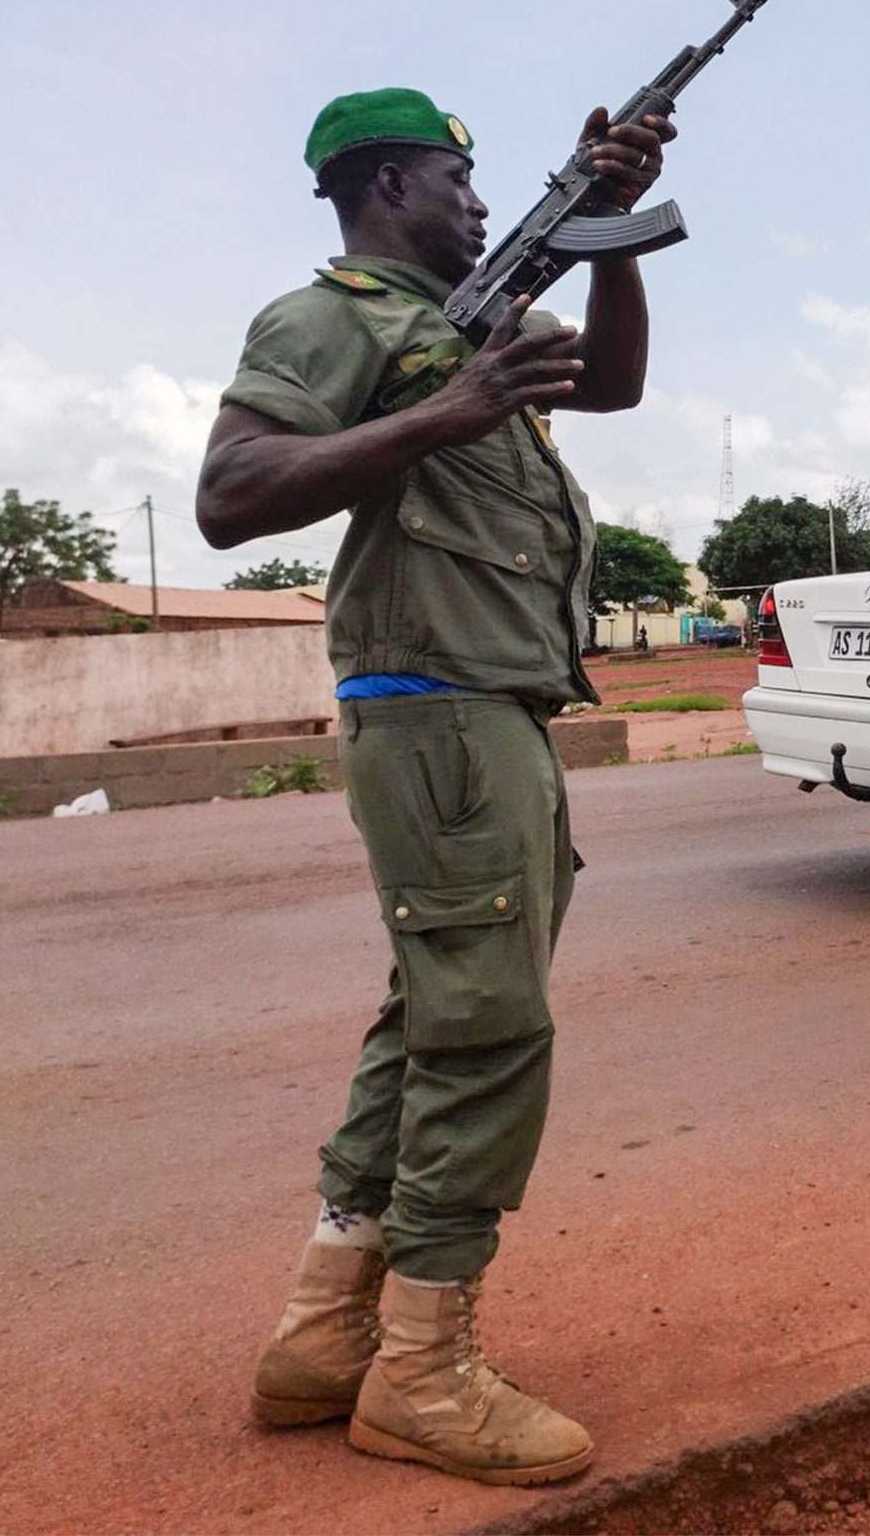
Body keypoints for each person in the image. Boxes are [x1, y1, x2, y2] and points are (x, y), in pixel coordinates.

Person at [196, 86, 672, 1486]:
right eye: (458, 180)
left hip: (490, 707)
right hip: (439, 708)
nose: (477, 201)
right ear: (391, 185)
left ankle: (323, 1337)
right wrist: (444, 411)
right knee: (490, 1033)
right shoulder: (327, 319)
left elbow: (621, 386)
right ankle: (421, 1372)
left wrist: (611, 232)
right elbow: (231, 493)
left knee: (437, 1011)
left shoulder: (479, 318)